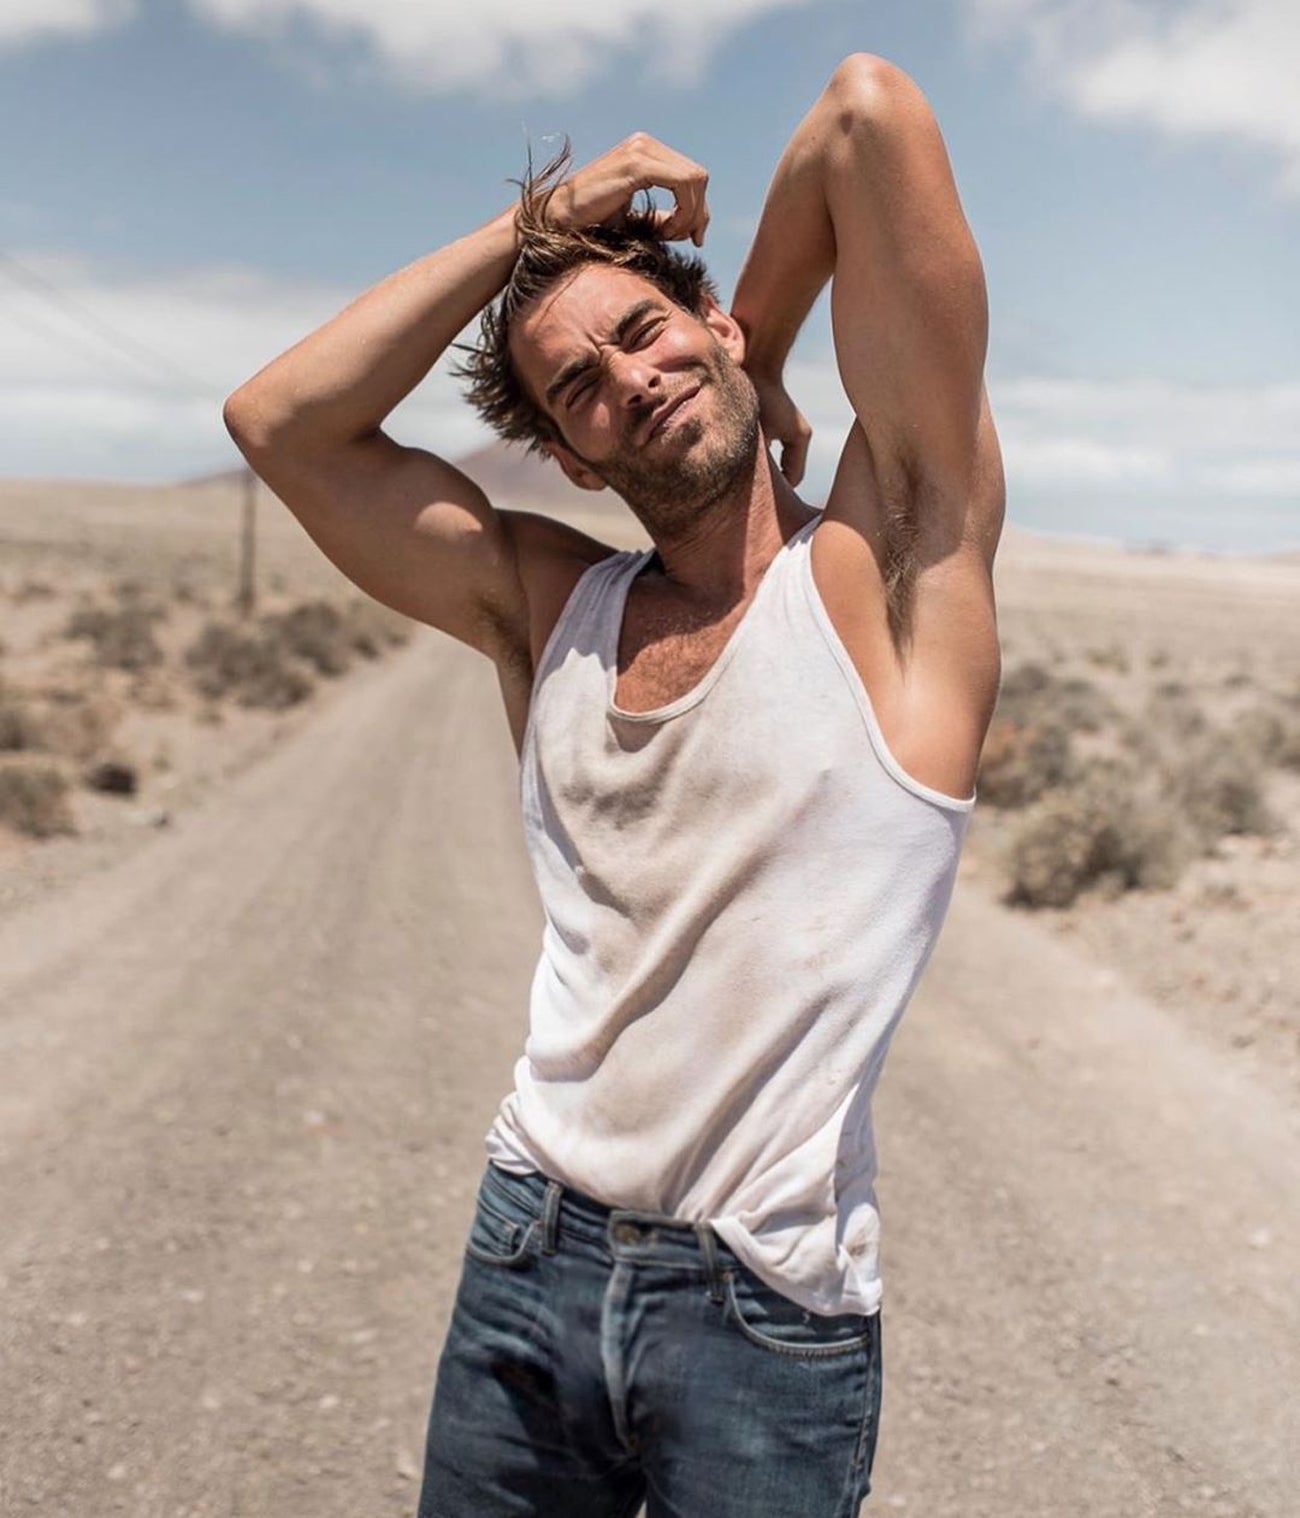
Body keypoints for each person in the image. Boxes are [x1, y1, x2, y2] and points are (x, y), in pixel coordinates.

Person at [224, 50, 1004, 1518]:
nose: (627, 384)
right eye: (579, 388)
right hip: (529, 1251)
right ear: (571, 457)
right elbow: (280, 425)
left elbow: (866, 113)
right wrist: (537, 230)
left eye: (646, 335)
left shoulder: (890, 574)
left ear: (711, 322)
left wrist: (745, 347)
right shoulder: (548, 612)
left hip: (766, 1311)